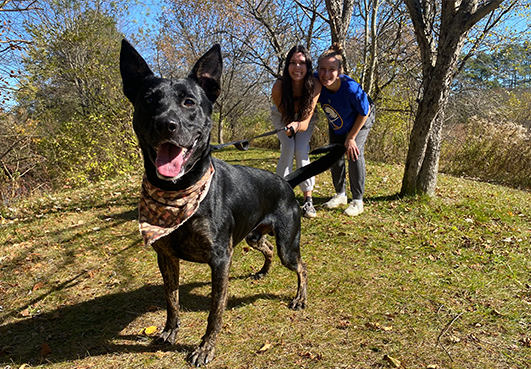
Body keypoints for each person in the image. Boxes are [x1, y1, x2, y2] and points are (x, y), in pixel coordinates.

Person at [316, 43, 375, 216]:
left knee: (353, 151)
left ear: (340, 70)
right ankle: (340, 194)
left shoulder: (351, 89)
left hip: (360, 119)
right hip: (338, 120)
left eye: (331, 69)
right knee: (334, 153)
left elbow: (365, 112)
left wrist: (351, 138)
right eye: (322, 69)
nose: (326, 74)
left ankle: (357, 201)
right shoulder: (317, 80)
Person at [271, 45, 321, 218]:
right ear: (287, 66)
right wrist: (289, 129)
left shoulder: (315, 85)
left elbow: (305, 122)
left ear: (307, 66)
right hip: (282, 117)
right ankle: (280, 197)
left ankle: (308, 200)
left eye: (301, 63)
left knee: (300, 150)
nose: (297, 67)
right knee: (288, 148)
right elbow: (284, 115)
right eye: (293, 63)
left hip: (304, 119)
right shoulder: (278, 87)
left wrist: (296, 126)